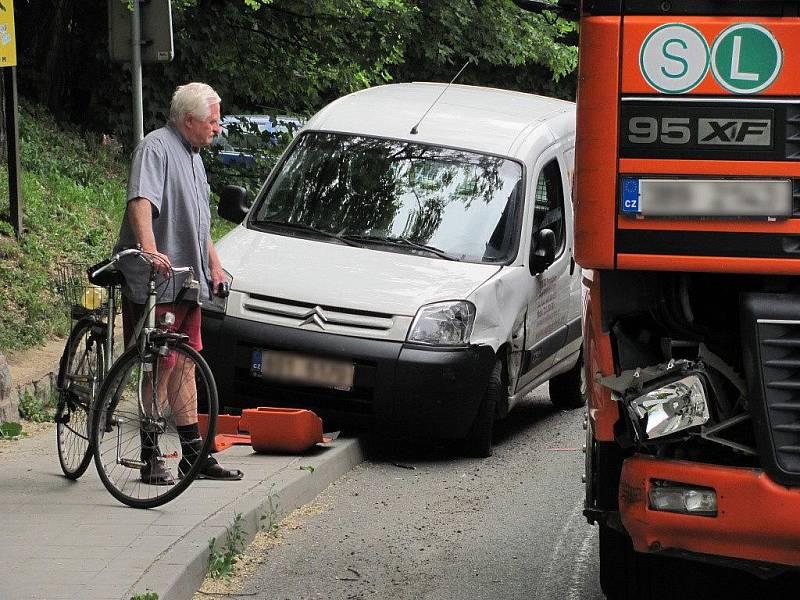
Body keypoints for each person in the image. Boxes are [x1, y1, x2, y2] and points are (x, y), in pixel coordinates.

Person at [115, 82, 243, 484]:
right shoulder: (156, 148)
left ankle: (193, 456)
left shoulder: (194, 157)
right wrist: (152, 254)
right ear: (188, 121)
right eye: (212, 120)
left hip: (189, 280)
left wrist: (215, 264)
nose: (217, 127)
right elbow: (141, 203)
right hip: (160, 279)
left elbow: (200, 221)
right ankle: (151, 454)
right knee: (160, 366)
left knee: (186, 363)